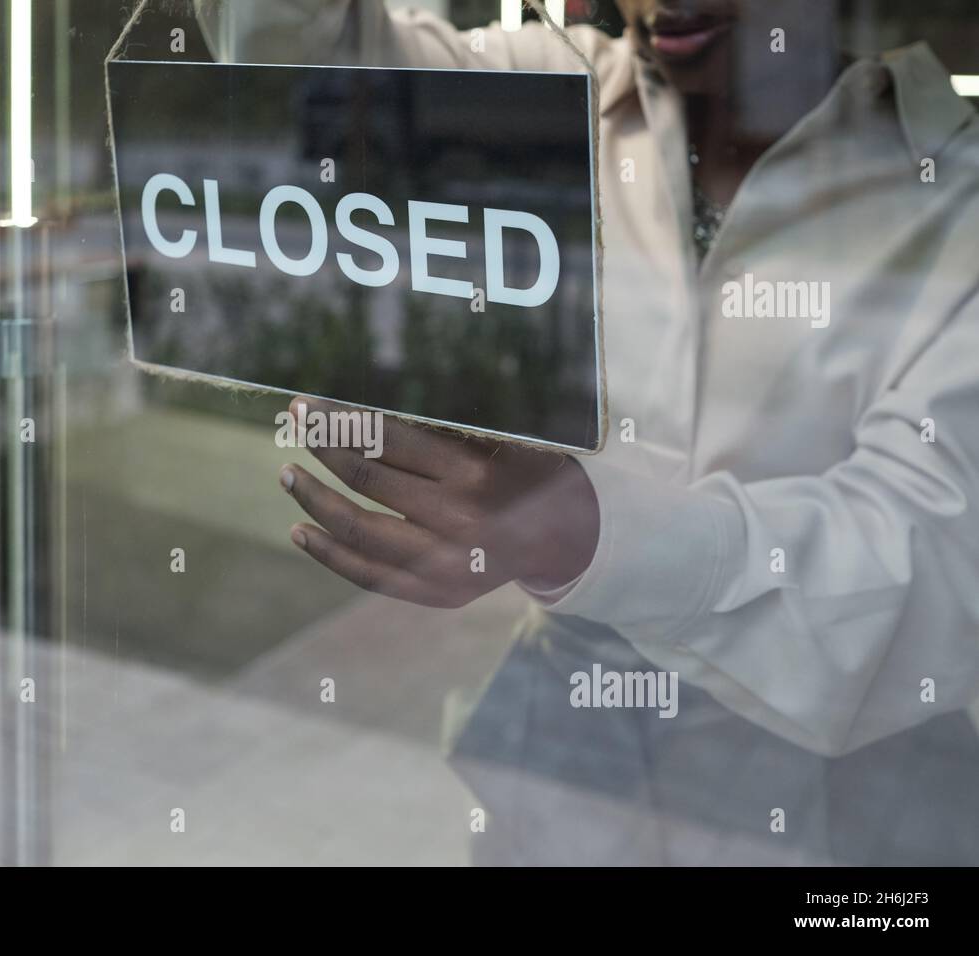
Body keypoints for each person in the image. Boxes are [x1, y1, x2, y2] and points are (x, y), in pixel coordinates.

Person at [193, 0, 979, 863]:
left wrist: (581, 531)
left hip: (835, 806)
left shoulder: (952, 187)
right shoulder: (555, 85)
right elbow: (283, 47)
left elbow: (928, 552)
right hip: (567, 775)